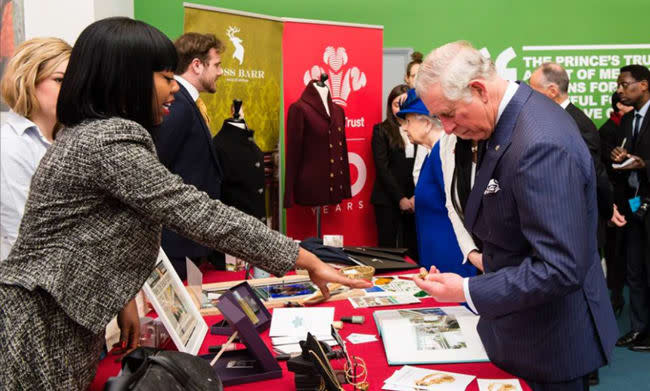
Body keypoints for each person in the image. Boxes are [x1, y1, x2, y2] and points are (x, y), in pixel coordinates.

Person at [0, 17, 369, 390]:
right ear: (128, 78)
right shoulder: (107, 141)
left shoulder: (93, 135)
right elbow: (198, 213)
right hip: (39, 327)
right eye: (164, 76)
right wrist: (304, 259)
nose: (174, 88)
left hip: (60, 320)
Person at [412, 41, 617, 391]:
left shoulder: (539, 143)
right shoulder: (512, 120)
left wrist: (466, 288)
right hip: (524, 331)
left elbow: (559, 267)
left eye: (448, 114)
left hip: (550, 343)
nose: (445, 128)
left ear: (478, 89)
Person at [153, 32, 225, 280]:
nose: (220, 72)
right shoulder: (179, 105)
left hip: (191, 238)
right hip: (177, 242)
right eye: (216, 65)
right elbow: (157, 168)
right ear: (197, 65)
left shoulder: (188, 103)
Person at [529, 62, 625, 230]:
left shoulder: (578, 124)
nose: (530, 96)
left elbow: (594, 172)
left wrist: (608, 209)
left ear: (552, 91)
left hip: (579, 222)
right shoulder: (553, 119)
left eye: (534, 90)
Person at [0, 37, 71, 261]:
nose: (70, 90)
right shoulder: (10, 143)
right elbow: (23, 235)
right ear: (28, 80)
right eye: (60, 81)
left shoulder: (67, 138)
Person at [398, 88, 477, 277]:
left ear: (426, 123)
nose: (404, 128)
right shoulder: (431, 153)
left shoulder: (444, 153)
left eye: (407, 121)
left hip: (453, 260)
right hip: (436, 257)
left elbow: (461, 205)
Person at [609, 64, 650, 353]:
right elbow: (626, 154)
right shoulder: (627, 120)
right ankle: (640, 330)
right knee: (635, 271)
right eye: (619, 85)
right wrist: (621, 156)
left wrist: (644, 164)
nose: (620, 90)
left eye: (625, 84)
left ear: (644, 85)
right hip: (635, 206)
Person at [370, 84, 418, 259]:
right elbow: (382, 168)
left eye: (405, 103)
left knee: (413, 247)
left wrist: (414, 197)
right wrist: (400, 198)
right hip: (388, 198)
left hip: (415, 199)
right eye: (397, 104)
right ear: (390, 105)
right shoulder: (381, 130)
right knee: (387, 249)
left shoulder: (419, 127)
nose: (401, 108)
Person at [600, 91, 635, 316]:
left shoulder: (636, 127)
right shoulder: (607, 131)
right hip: (615, 200)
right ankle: (615, 296)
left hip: (635, 199)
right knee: (614, 251)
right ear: (620, 106)